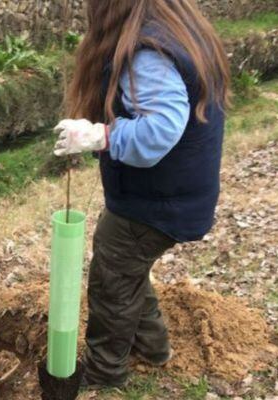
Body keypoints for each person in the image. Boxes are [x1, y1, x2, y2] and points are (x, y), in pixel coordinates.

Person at [52, 0, 231, 388]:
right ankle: (153, 346)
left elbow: (158, 133)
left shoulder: (148, 50)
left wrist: (99, 136)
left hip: (157, 201)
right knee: (126, 266)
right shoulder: (177, 28)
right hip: (177, 193)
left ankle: (104, 372)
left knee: (112, 279)